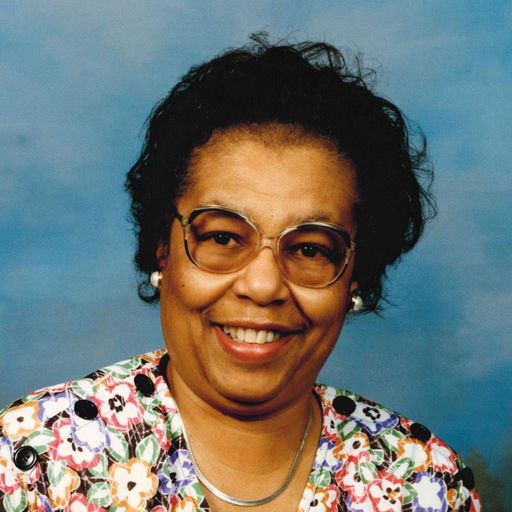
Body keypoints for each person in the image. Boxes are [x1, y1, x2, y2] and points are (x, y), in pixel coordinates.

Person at [0, 34, 481, 512]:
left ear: (356, 276)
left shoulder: (422, 482)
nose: (263, 285)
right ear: (161, 249)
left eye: (310, 249)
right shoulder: (32, 461)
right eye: (223, 238)